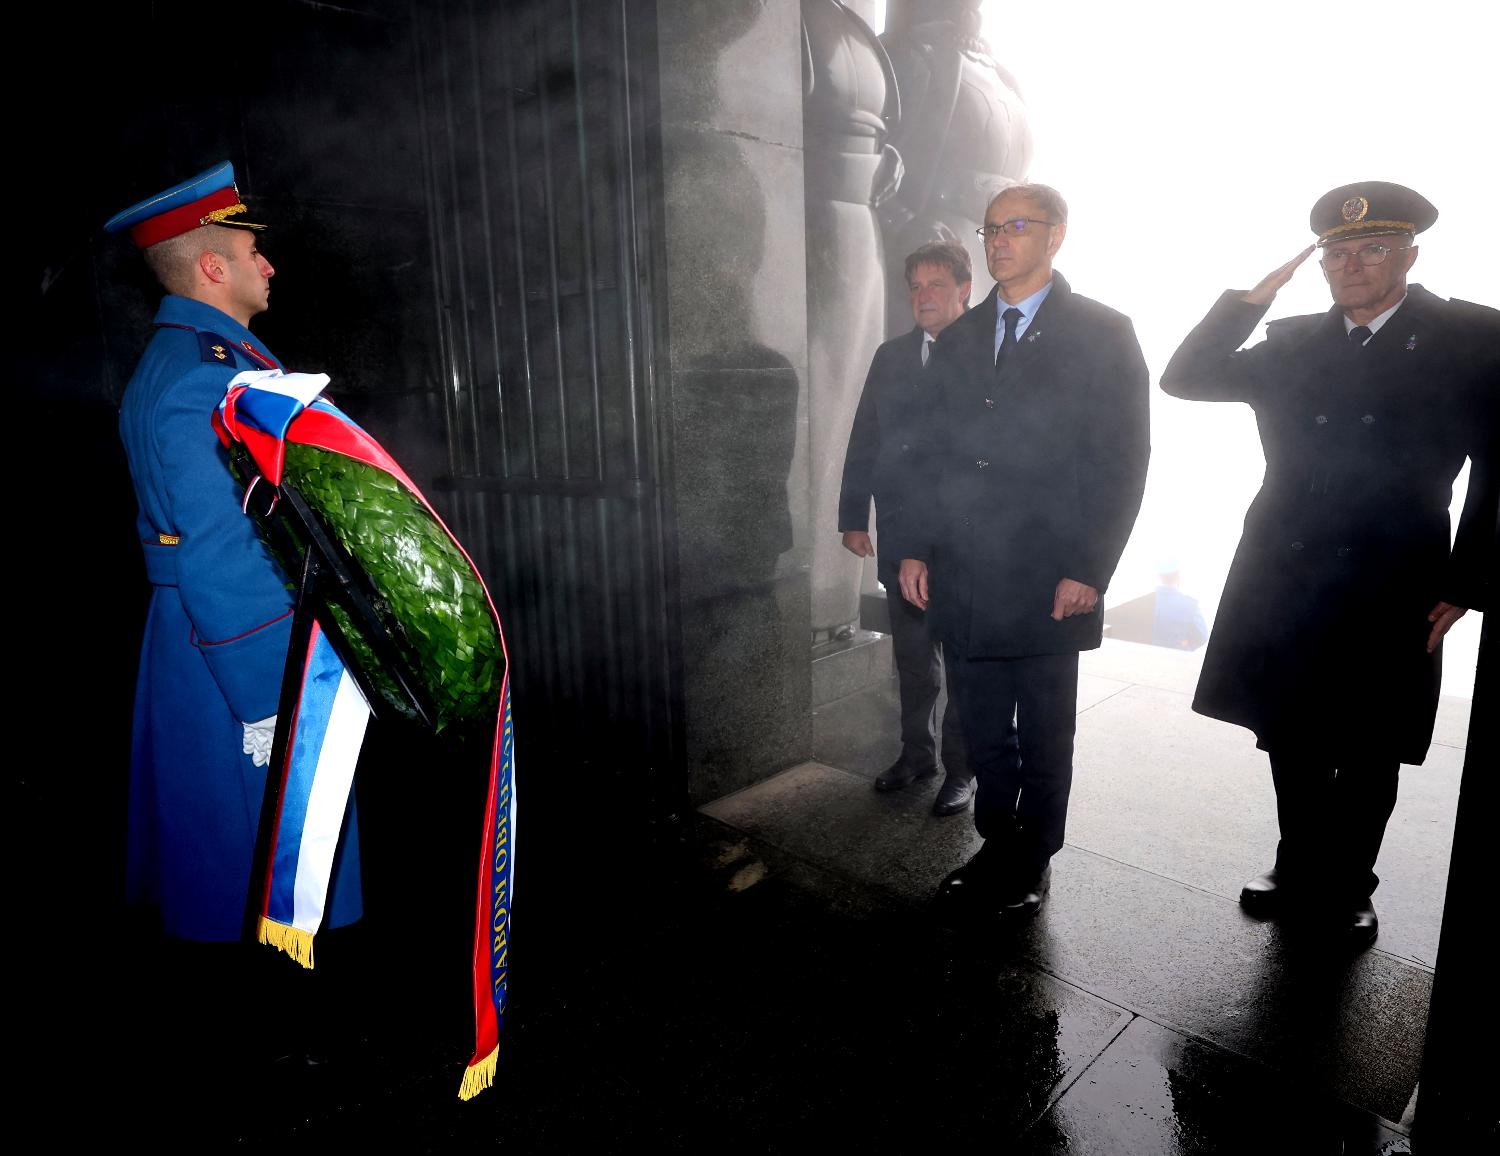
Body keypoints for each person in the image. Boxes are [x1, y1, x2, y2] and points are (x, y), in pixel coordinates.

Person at [1160, 181, 1497, 950]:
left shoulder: (1471, 336)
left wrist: (1466, 582)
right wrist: (1246, 301)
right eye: (1335, 255)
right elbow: (1184, 378)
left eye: (1371, 249)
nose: (1351, 266)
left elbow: (1497, 468)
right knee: (1294, 731)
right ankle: (1296, 863)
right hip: (1286, 568)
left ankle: (1349, 883)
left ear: (1410, 253)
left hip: (1396, 573)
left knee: (1372, 740)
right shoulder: (1291, 341)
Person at [105, 161, 361, 945]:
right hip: (234, 638)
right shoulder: (202, 378)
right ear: (212, 267)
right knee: (257, 849)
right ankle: (278, 1031)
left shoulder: (207, 360)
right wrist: (266, 697)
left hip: (204, 628)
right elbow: (224, 548)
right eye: (255, 252)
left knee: (227, 839)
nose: (269, 265)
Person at [898, 184, 1150, 920]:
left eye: (1017, 226)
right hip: (966, 567)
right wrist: (913, 546)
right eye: (991, 228)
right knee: (980, 723)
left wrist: (1090, 567)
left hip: (1048, 573)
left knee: (1044, 726)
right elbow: (927, 453)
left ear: (1056, 235)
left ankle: (1033, 855)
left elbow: (1122, 459)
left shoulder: (1102, 332)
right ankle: (994, 844)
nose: (999, 240)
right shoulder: (964, 337)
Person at [838, 240, 980, 816]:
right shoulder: (891, 355)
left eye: (937, 285)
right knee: (913, 656)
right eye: (916, 287)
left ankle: (963, 769)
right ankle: (916, 754)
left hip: (965, 537)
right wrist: (852, 516)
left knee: (965, 659)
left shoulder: (988, 353)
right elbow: (865, 436)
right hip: (900, 529)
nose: (924, 297)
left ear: (965, 289)